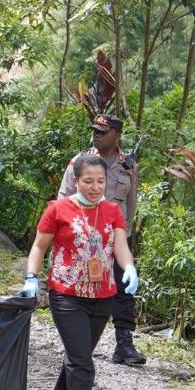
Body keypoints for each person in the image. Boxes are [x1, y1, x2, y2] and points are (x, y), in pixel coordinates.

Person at [23, 153, 139, 390]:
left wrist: (129, 268)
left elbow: (121, 247)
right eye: (88, 181)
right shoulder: (58, 209)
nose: (95, 186)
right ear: (76, 180)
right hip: (67, 295)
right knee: (82, 364)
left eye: (100, 181)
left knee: (78, 357)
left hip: (102, 298)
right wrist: (31, 277)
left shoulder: (113, 211)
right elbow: (39, 245)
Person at [57, 113, 145, 365]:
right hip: (82, 239)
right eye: (94, 130)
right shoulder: (79, 162)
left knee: (122, 290)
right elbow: (63, 199)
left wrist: (125, 238)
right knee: (80, 289)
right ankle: (78, 345)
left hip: (115, 238)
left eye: (102, 131)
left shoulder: (128, 166)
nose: (96, 134)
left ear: (116, 135)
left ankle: (124, 344)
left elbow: (131, 203)